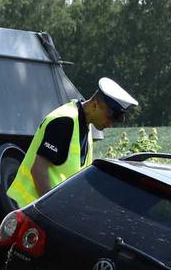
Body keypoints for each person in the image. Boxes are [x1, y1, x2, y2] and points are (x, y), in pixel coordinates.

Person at [7, 77, 138, 207]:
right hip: (30, 209)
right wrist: (52, 209)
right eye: (109, 118)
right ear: (95, 105)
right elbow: (38, 171)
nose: (110, 124)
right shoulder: (64, 121)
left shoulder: (85, 125)